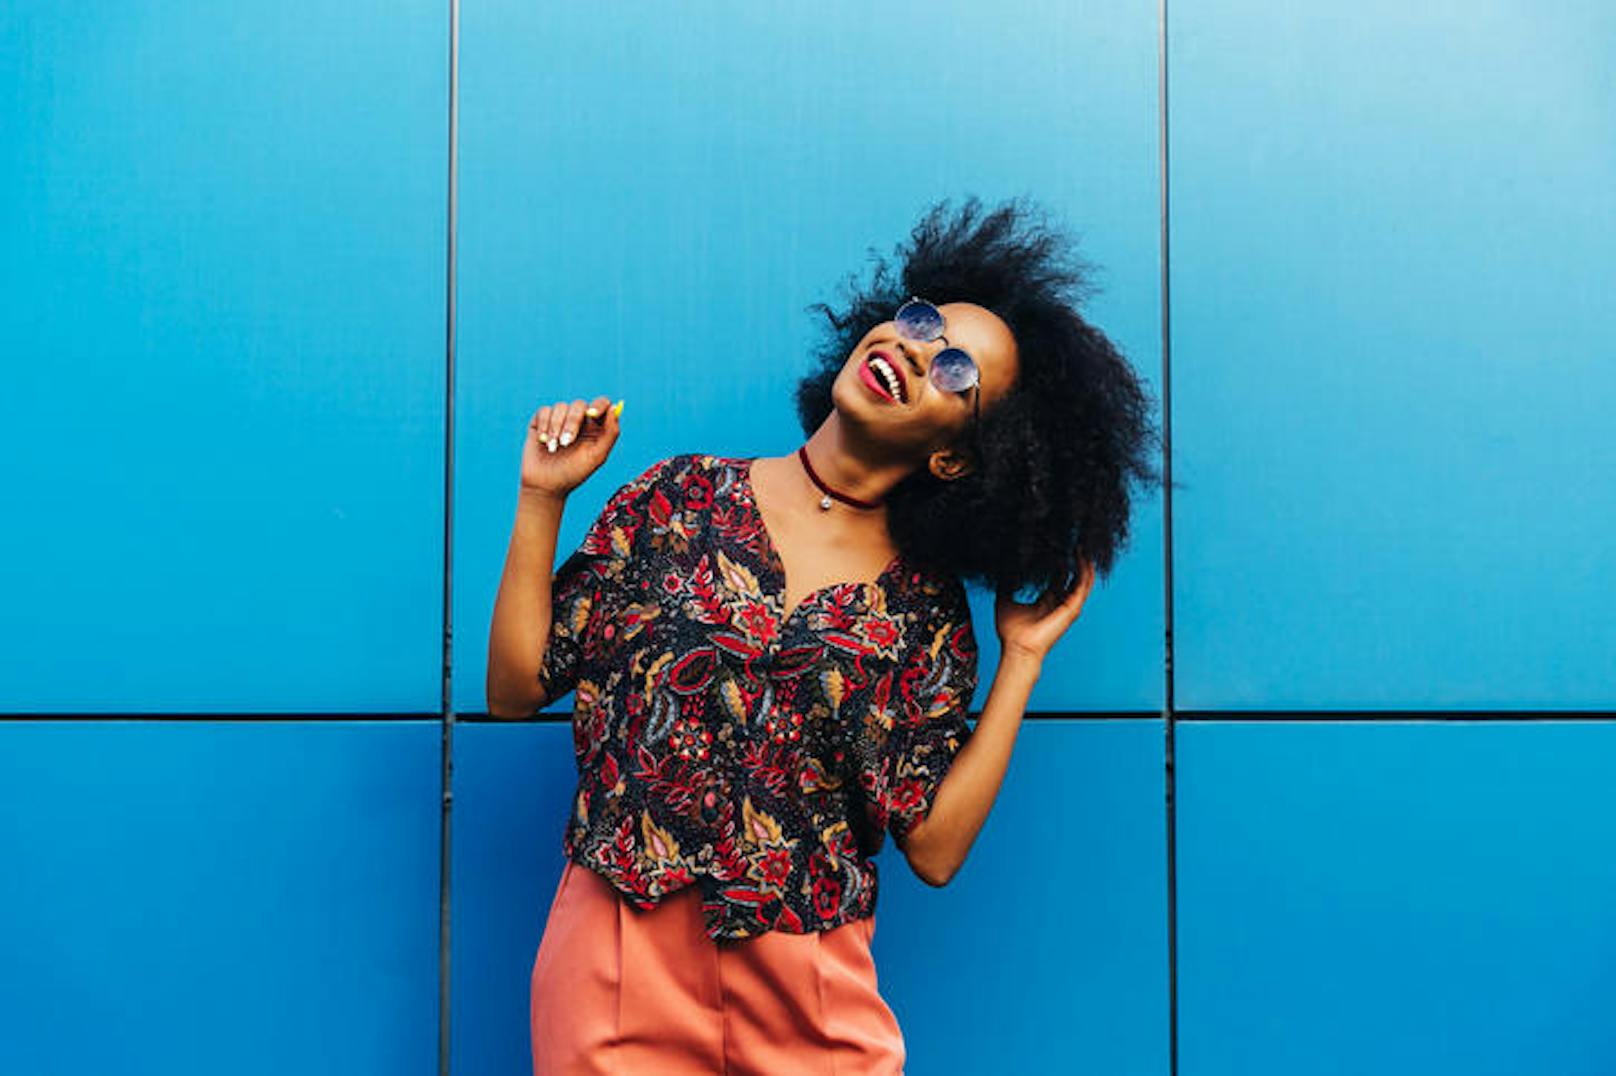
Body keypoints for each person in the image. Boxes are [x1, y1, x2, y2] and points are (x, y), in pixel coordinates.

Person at [486, 195, 1165, 1074]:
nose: (916, 350)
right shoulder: (678, 498)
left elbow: (935, 848)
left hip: (808, 982)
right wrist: (544, 497)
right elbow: (513, 690)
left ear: (956, 457)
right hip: (618, 953)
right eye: (920, 322)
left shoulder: (923, 612)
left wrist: (1022, 660)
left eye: (956, 370)